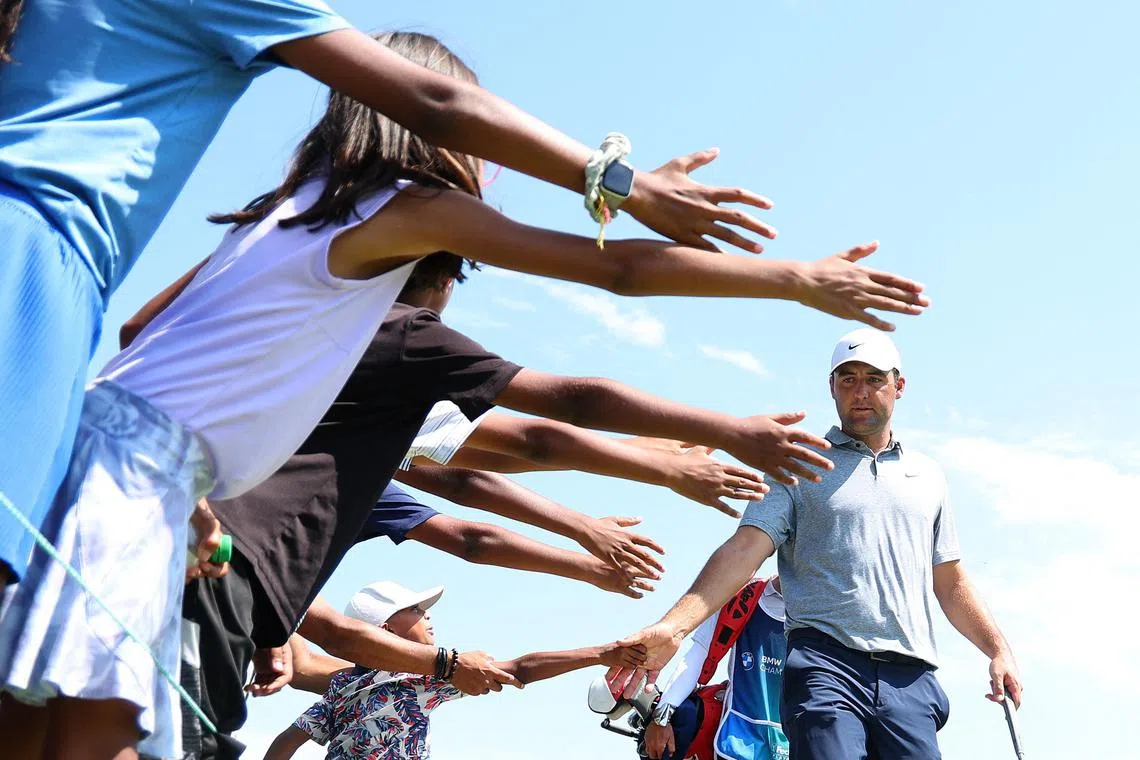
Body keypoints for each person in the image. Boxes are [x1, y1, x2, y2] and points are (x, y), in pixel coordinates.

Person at [0, 30, 926, 760]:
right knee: (105, 733)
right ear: (434, 132)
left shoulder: (287, 209)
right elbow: (614, 284)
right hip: (149, 474)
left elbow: (137, 333)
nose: (487, 163)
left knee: (35, 721)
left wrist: (197, 482)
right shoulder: (407, 210)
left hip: (90, 455)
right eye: (479, 141)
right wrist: (791, 279)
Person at [0, 0, 781, 594]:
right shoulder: (397, 321)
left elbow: (455, 459)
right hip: (190, 528)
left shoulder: (283, 221)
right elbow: (548, 416)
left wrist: (651, 467)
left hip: (141, 467)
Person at [613, 328, 1021, 760]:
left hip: (910, 677)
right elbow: (744, 549)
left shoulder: (929, 477)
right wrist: (674, 625)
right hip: (827, 665)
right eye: (848, 379)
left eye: (873, 379)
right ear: (832, 388)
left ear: (899, 386)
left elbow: (950, 579)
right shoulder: (797, 465)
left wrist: (998, 650)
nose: (860, 392)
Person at [260, 581, 646, 760]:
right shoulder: (401, 679)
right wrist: (597, 652)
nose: (427, 616)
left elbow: (287, 741)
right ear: (385, 630)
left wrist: (599, 654)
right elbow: (519, 670)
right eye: (415, 610)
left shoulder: (354, 683)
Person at [644, 576, 788, 760]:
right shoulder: (742, 595)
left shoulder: (826, 610)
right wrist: (661, 717)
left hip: (798, 746)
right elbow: (696, 658)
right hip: (737, 747)